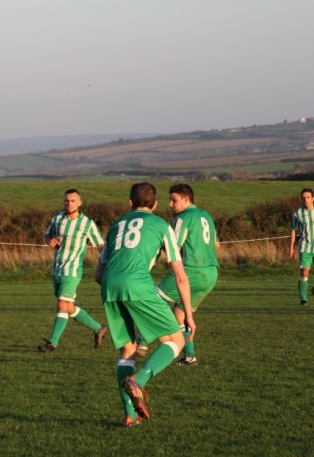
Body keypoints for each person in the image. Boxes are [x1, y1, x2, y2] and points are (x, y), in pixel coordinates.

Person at [94, 182, 196, 427]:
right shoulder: (162, 225)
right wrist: (189, 314)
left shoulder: (116, 226)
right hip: (138, 285)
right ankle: (138, 381)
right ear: (156, 204)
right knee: (176, 340)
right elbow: (180, 277)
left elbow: (98, 274)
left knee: (127, 350)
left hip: (109, 286)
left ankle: (130, 415)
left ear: (130, 203)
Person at [137, 184, 219, 367]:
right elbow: (217, 245)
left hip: (191, 272)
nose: (170, 204)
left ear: (186, 199)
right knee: (179, 314)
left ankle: (141, 342)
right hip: (211, 274)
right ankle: (189, 357)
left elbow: (173, 246)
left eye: (174, 200)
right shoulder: (206, 216)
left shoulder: (182, 218)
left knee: (151, 299)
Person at [37, 188, 107, 352]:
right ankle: (98, 328)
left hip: (73, 270)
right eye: (66, 201)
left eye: (73, 200)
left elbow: (101, 245)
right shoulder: (58, 218)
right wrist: (50, 240)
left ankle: (52, 343)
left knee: (61, 304)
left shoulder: (87, 224)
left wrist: (108, 264)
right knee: (68, 307)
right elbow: (47, 235)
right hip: (57, 269)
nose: (69, 203)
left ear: (80, 203)